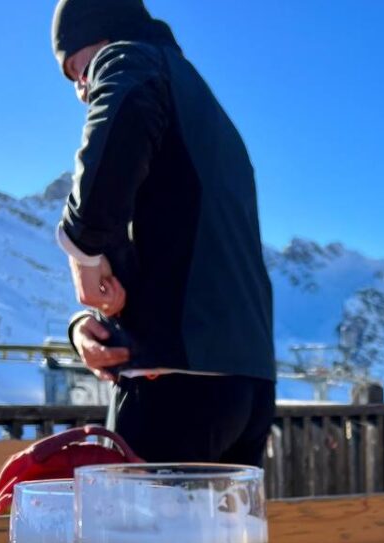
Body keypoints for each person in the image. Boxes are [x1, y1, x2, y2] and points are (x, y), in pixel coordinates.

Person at [51, 0, 276, 464]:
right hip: (246, 384)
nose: (81, 89)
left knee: (136, 536)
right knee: (223, 536)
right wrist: (85, 330)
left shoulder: (132, 58)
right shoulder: (206, 113)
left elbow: (124, 119)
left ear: (105, 32)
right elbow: (175, 254)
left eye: (79, 69)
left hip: (173, 384)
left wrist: (83, 248)